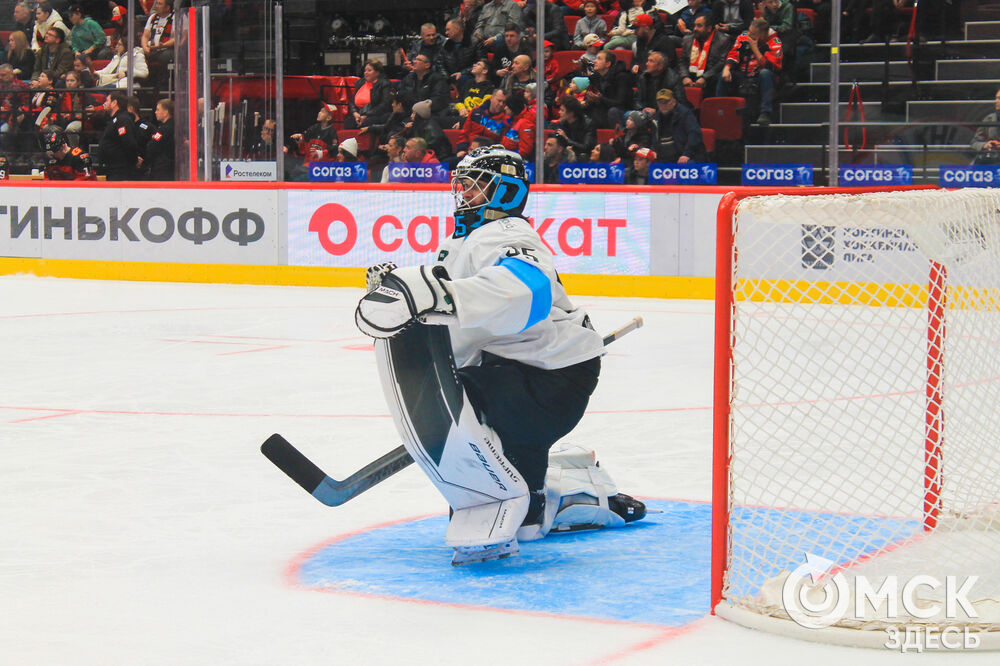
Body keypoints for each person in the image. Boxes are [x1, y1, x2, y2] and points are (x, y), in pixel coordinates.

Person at [354, 145, 647, 565]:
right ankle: (583, 499)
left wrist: (434, 294)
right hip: (523, 371)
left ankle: (546, 493)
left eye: (476, 186)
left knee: (457, 411)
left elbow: (529, 286)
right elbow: (460, 316)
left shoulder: (507, 232)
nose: (464, 194)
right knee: (526, 524)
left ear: (506, 193)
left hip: (548, 379)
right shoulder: (465, 241)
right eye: (462, 185)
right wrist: (412, 296)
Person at [718, 18, 782, 125]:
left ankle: (765, 112)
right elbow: (734, 54)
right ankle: (719, 109)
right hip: (743, 74)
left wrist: (755, 48)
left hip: (761, 77)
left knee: (765, 73)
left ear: (763, 34)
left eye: (753, 34)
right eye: (749, 31)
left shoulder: (775, 42)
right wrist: (727, 68)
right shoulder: (743, 37)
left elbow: (772, 67)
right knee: (723, 76)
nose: (749, 36)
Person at [679, 13, 731, 97]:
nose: (695, 29)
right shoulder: (687, 39)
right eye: (694, 25)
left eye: (699, 26)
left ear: (709, 28)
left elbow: (721, 63)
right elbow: (682, 61)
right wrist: (685, 76)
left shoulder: (723, 40)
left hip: (710, 77)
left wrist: (705, 78)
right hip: (690, 75)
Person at [652, 87, 705, 162]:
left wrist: (687, 154)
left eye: (666, 102)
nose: (663, 105)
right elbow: (654, 138)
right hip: (664, 156)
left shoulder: (685, 114)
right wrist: (653, 150)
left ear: (674, 101)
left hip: (686, 155)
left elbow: (694, 134)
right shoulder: (656, 118)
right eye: (660, 102)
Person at [585, 49, 632, 129]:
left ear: (608, 64)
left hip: (622, 110)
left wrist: (601, 99)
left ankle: (619, 137)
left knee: (612, 111)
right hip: (604, 108)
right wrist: (589, 100)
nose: (595, 61)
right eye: (596, 58)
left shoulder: (622, 77)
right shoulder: (595, 77)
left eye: (599, 59)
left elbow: (620, 103)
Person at [98, 91, 139, 180]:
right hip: (112, 168)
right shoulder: (114, 120)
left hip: (120, 170)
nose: (104, 103)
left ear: (114, 103)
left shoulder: (123, 120)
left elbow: (129, 143)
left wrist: (132, 161)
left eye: (107, 100)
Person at [347, 60, 392, 131]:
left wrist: (366, 115)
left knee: (366, 122)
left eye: (369, 70)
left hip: (376, 115)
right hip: (359, 114)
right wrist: (355, 113)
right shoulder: (360, 83)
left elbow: (384, 104)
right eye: (365, 70)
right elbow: (352, 102)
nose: (366, 73)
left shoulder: (384, 84)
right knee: (349, 122)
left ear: (377, 72)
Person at [437, 17, 484, 83]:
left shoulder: (475, 43)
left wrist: (462, 73)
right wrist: (447, 78)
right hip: (450, 76)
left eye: (448, 30)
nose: (446, 33)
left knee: (462, 79)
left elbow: (481, 63)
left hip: (468, 75)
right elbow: (440, 64)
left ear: (457, 29)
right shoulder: (445, 44)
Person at [141, 0, 174, 88]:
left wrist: (163, 45)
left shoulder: (175, 17)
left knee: (164, 56)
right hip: (152, 49)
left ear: (167, 7)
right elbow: (145, 36)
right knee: (137, 54)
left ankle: (163, 85)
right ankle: (143, 84)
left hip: (168, 49)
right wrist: (145, 47)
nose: (156, 6)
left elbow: (177, 38)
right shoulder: (152, 17)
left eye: (160, 4)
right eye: (157, 3)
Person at [145, 98, 174, 180]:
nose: (155, 112)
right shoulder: (171, 126)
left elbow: (152, 146)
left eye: (158, 110)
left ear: (166, 112)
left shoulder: (165, 129)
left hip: (163, 169)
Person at [971, 88, 1000, 165]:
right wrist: (985, 145)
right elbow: (974, 143)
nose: (996, 101)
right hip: (991, 162)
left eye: (999, 98)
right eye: (996, 98)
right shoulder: (989, 119)